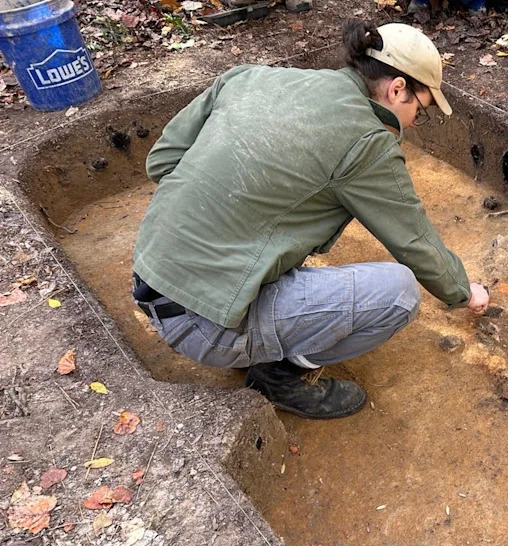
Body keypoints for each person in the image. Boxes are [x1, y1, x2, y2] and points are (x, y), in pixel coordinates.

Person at [131, 20, 489, 419]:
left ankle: (250, 332)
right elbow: (413, 240)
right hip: (201, 324)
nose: (415, 122)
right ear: (397, 89)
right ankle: (278, 376)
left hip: (149, 276)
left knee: (282, 217)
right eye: (420, 110)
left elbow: (161, 162)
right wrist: (462, 290)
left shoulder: (250, 78)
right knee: (398, 293)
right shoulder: (367, 141)